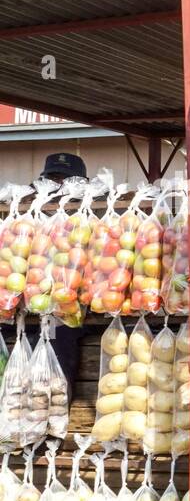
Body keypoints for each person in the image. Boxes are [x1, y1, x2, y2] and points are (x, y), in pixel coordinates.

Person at [0, 153, 88, 387]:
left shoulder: (86, 214)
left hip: (63, 314)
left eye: (65, 181)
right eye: (54, 179)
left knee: (57, 363)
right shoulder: (29, 214)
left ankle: (54, 413)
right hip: (22, 311)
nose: (59, 186)